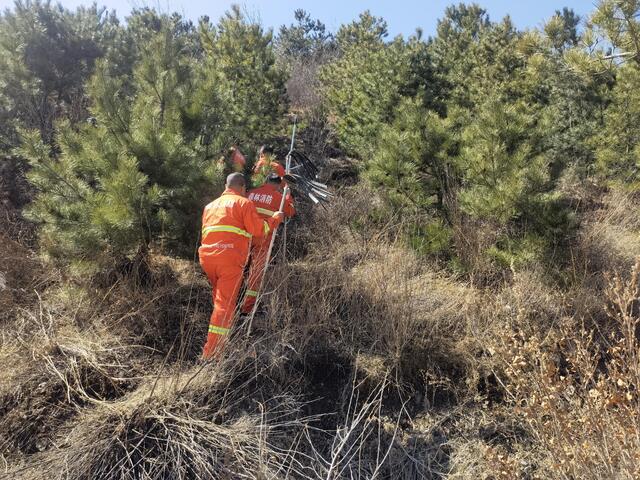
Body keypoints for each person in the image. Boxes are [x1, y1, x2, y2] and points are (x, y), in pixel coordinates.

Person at [199, 173, 284, 359]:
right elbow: (258, 230)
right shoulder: (243, 203)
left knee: (219, 300)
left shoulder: (210, 206)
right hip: (228, 259)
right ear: (243, 187)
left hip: (207, 257)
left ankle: (222, 335)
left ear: (225, 186)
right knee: (224, 306)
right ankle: (212, 354)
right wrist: (275, 219)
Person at [241, 174, 295, 315]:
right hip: (263, 239)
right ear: (278, 185)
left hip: (243, 237)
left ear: (265, 181)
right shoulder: (278, 198)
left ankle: (233, 300)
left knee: (238, 269)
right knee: (256, 273)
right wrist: (288, 196)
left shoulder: (250, 193)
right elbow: (290, 211)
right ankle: (247, 308)